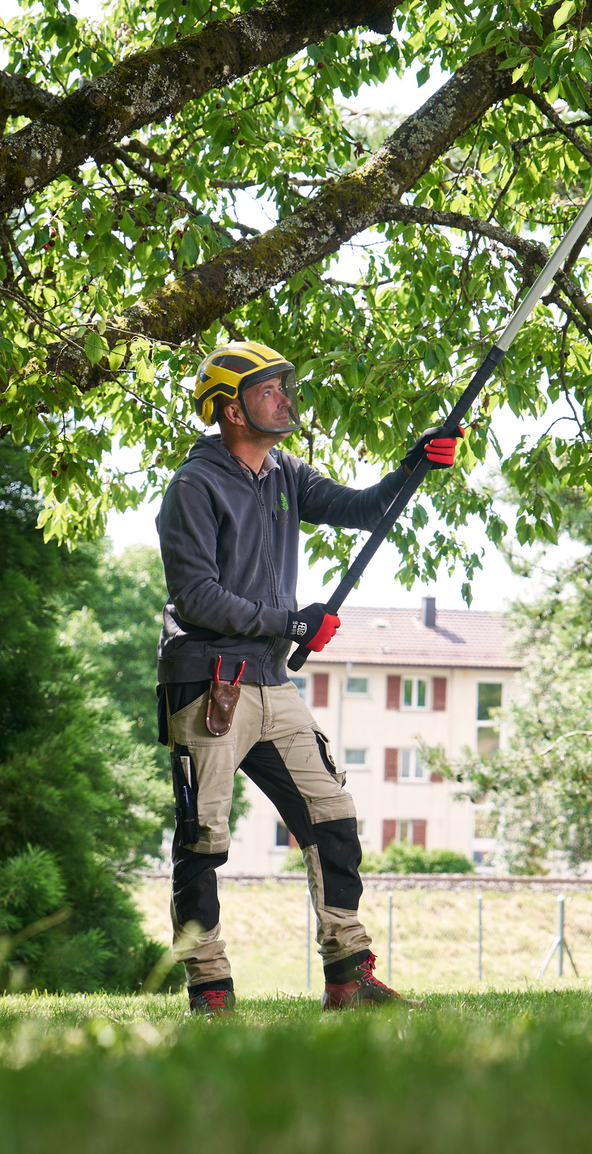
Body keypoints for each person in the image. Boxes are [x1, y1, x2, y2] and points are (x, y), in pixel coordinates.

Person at [155, 340, 460, 1014]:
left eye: (287, 387)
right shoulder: (193, 486)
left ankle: (349, 978)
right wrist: (291, 622)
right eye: (272, 390)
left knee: (333, 818)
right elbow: (196, 598)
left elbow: (363, 509)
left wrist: (415, 463)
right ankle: (209, 991)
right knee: (203, 838)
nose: (287, 400)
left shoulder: (285, 475)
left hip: (270, 684)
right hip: (208, 685)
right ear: (232, 409)